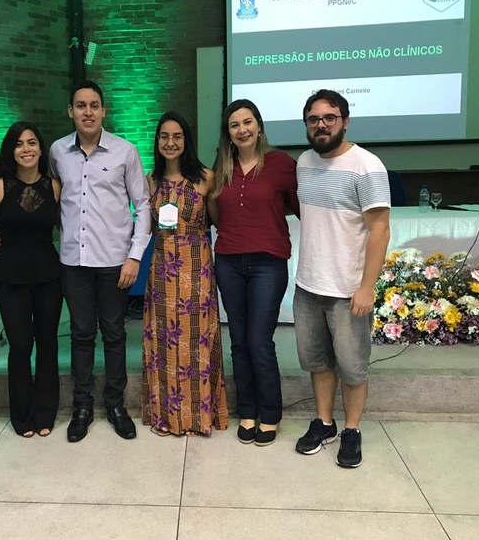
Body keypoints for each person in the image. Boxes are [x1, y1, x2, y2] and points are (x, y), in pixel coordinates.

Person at [293, 89, 391, 468]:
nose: (321, 125)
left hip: (348, 290)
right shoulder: (304, 162)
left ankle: (352, 429)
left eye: (329, 118)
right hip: (308, 285)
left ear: (345, 121)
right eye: (314, 119)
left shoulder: (366, 166)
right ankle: (325, 423)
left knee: (352, 367)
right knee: (318, 362)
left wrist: (367, 287)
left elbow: (380, 229)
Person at [49, 80, 151, 442]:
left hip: (113, 262)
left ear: (104, 110)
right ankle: (82, 407)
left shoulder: (125, 151)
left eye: (94, 105)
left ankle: (116, 406)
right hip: (73, 262)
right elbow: (51, 198)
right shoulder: (57, 152)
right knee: (80, 334)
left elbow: (143, 205)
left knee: (114, 334)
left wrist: (134, 257)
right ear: (71, 111)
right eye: (81, 105)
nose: (88, 112)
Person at [208, 99, 300, 447]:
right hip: (229, 262)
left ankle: (270, 413)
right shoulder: (223, 166)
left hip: (267, 264)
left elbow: (298, 207)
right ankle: (247, 410)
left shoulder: (282, 164)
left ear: (259, 126)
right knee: (239, 340)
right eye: (234, 125)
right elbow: (215, 210)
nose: (242, 129)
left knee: (259, 340)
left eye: (247, 122)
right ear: (228, 133)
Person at [141, 111, 229, 436]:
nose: (170, 143)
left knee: (196, 338)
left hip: (196, 267)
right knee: (164, 340)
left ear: (186, 141)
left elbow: (218, 221)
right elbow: (145, 225)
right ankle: (166, 416)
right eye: (164, 136)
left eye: (177, 136)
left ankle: (196, 417)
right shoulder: (151, 180)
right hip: (162, 269)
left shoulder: (206, 177)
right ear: (157, 141)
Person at [0, 121, 62, 438]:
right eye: (18, 144)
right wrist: (1, 237)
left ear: (41, 148)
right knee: (20, 344)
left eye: (31, 142)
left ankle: (46, 413)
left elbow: (68, 226)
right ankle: (22, 415)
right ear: (10, 151)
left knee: (48, 342)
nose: (26, 149)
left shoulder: (54, 186)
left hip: (48, 273)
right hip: (12, 274)